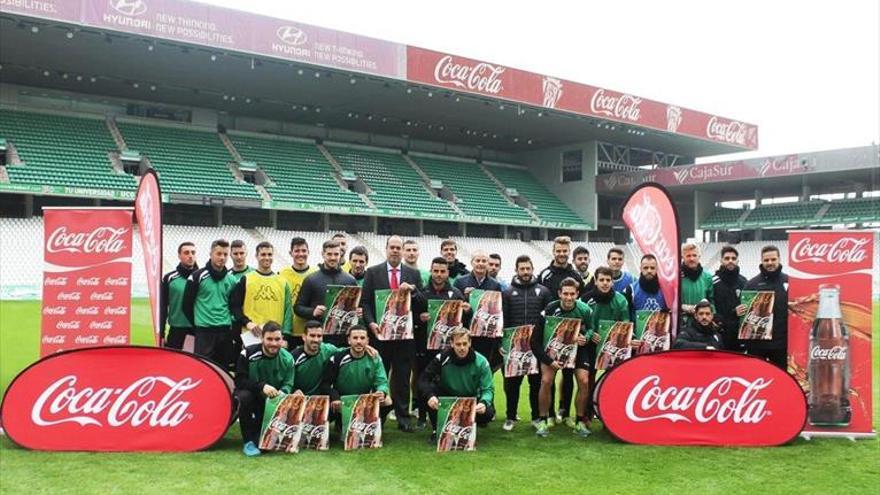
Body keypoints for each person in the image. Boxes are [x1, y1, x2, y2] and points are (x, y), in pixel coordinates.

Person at [361, 235, 424, 432]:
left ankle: (403, 418)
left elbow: (423, 302)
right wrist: (371, 323)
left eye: (399, 248)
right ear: (386, 248)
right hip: (380, 336)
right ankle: (374, 416)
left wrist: (413, 291)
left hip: (404, 338)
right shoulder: (372, 272)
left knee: (403, 378)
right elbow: (365, 303)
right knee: (378, 376)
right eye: (392, 247)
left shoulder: (413, 274)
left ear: (403, 251)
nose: (395, 251)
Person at [531, 278, 593, 438]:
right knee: (546, 380)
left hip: (577, 350)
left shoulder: (585, 310)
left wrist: (585, 337)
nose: (569, 297)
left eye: (572, 294)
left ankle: (579, 420)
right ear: (559, 293)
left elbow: (591, 330)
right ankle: (543, 420)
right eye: (565, 293)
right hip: (553, 350)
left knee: (584, 380)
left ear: (577, 294)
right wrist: (549, 360)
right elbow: (535, 341)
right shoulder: (549, 310)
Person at [411, 256, 468, 429]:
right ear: (431, 271)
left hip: (448, 348)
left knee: (444, 381)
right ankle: (421, 415)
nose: (438, 274)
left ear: (447, 273)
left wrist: (467, 311)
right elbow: (410, 318)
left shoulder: (456, 294)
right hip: (425, 346)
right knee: (423, 379)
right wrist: (420, 319)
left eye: (442, 271)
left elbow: (464, 323)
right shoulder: (421, 293)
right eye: (435, 271)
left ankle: (444, 414)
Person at [501, 254, 552, 431]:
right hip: (514, 346)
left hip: (535, 346)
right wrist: (504, 344)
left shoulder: (543, 291)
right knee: (512, 383)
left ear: (532, 269)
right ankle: (510, 417)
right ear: (516, 270)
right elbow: (504, 321)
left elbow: (549, 320)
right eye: (522, 269)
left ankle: (536, 417)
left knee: (535, 382)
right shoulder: (507, 292)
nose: (525, 272)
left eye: (528, 268)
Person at [419, 327, 495, 443]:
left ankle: (468, 426)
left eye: (465, 344)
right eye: (458, 344)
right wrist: (430, 396)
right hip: (447, 397)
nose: (462, 348)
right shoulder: (442, 358)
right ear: (452, 344)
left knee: (488, 412)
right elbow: (423, 379)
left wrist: (483, 402)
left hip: (470, 399)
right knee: (426, 393)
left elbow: (488, 389)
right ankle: (436, 430)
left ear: (470, 343)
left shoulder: (482, 362)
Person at [537, 235, 583, 425]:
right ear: (554, 251)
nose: (562, 254)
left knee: (569, 374)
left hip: (571, 335)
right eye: (559, 251)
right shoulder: (544, 275)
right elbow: (540, 300)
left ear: (569, 252)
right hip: (550, 334)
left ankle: (564, 413)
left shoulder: (576, 276)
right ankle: (549, 413)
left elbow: (582, 305)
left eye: (565, 251)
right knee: (549, 375)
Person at [234, 321, 295, 457]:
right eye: (269, 339)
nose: (273, 343)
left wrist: (282, 393)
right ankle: (248, 442)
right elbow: (239, 380)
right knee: (245, 397)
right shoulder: (247, 353)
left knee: (265, 447)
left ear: (282, 340)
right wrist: (262, 386)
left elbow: (288, 384)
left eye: (277, 339)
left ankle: (259, 436)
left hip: (271, 401)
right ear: (262, 338)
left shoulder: (288, 359)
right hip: (250, 395)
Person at [583, 266, 631, 424]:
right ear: (595, 281)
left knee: (611, 380)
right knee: (588, 380)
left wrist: (617, 336)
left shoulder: (621, 299)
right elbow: (581, 323)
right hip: (590, 346)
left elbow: (625, 323)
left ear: (612, 282)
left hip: (613, 346)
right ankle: (586, 415)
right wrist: (590, 334)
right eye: (601, 280)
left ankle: (608, 414)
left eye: (608, 280)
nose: (605, 283)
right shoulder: (586, 298)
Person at [321, 325, 392, 427]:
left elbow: (381, 380)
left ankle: (377, 422)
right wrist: (335, 397)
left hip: (364, 399)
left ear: (367, 341)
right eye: (355, 338)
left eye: (362, 338)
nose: (359, 341)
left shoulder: (374, 357)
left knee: (387, 401)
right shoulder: (338, 356)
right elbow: (326, 383)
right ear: (349, 340)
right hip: (342, 400)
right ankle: (340, 421)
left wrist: (381, 391)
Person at [229, 241, 293, 354]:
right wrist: (247, 322)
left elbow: (288, 311)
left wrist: (286, 337)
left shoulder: (283, 282)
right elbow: (234, 305)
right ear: (256, 256)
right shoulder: (246, 279)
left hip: (275, 337)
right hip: (252, 335)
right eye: (263, 254)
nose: (266, 257)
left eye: (269, 254)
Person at [182, 239, 237, 365]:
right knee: (203, 368)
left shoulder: (232, 279)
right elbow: (186, 305)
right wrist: (199, 323)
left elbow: (233, 306)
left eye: (225, 254)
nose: (222, 257)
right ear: (211, 254)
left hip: (225, 331)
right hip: (204, 331)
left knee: (223, 370)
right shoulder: (197, 277)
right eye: (218, 254)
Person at [294, 240, 358, 347]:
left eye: (336, 254)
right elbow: (298, 308)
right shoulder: (311, 280)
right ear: (323, 254)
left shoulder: (350, 280)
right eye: (329, 254)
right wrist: (313, 311)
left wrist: (358, 312)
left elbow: (356, 309)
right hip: (318, 337)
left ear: (341, 254)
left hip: (342, 337)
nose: (333, 257)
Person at [290, 320, 378, 395]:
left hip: (321, 397)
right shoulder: (294, 356)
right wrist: (294, 391)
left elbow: (347, 351)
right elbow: (286, 380)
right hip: (298, 396)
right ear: (304, 337)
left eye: (319, 336)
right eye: (312, 336)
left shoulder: (328, 350)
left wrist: (365, 347)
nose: (316, 340)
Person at [454, 250, 503, 370]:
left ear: (487, 263)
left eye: (484, 261)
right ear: (472, 262)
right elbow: (454, 309)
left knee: (483, 367)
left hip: (486, 335)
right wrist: (466, 298)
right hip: (465, 333)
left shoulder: (495, 285)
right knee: (465, 367)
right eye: (478, 260)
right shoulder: (460, 282)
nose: (480, 264)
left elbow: (497, 311)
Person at [744, 245, 789, 369]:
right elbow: (744, 314)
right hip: (757, 345)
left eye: (773, 259)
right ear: (761, 261)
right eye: (766, 260)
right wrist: (737, 311)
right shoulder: (751, 284)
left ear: (779, 259)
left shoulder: (789, 281)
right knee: (757, 378)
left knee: (782, 378)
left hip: (782, 344)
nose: (770, 263)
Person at [279, 237, 318, 349]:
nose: (300, 254)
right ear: (291, 253)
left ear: (308, 252)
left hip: (311, 332)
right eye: (297, 251)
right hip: (289, 331)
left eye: (303, 251)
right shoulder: (282, 274)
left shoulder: (316, 273)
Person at [160, 241, 198, 349]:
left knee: (193, 363)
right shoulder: (169, 278)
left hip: (197, 329)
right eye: (186, 253)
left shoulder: (201, 278)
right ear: (179, 255)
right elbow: (163, 307)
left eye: (193, 252)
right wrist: (162, 333)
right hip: (176, 329)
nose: (190, 256)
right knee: (173, 363)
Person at [712, 245, 748, 351]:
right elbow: (710, 306)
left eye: (733, 258)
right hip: (720, 333)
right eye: (727, 258)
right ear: (721, 261)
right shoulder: (713, 282)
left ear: (738, 261)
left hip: (739, 335)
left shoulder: (744, 281)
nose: (730, 261)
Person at [680, 243, 715, 326]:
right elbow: (671, 302)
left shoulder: (707, 277)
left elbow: (712, 300)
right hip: (682, 323)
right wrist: (683, 307)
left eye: (694, 255)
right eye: (688, 256)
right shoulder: (677, 277)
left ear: (699, 257)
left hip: (702, 323)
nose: (691, 258)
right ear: (682, 257)